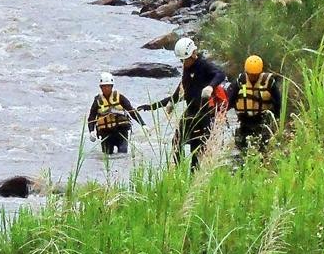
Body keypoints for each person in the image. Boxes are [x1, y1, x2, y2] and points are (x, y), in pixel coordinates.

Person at [137, 37, 225, 172]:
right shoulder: (187, 71)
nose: (184, 63)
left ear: (194, 54)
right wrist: (153, 106)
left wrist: (211, 87)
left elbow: (220, 74)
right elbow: (178, 94)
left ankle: (195, 176)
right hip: (190, 112)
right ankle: (178, 172)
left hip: (205, 114)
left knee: (197, 148)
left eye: (186, 59)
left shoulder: (203, 66)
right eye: (182, 60)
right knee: (176, 142)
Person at [228, 55, 281, 152]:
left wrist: (277, 118)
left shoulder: (269, 82)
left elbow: (278, 102)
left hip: (262, 120)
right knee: (243, 149)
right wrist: (222, 114)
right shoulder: (240, 82)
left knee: (263, 148)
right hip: (245, 121)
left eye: (256, 75)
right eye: (250, 74)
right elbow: (231, 100)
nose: (253, 77)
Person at [87, 72, 150, 155]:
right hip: (105, 133)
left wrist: (143, 124)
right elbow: (91, 118)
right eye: (104, 86)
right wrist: (91, 131)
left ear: (112, 86)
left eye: (108, 86)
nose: (106, 88)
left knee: (123, 154)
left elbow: (131, 111)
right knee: (107, 156)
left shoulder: (120, 97)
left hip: (121, 131)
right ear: (101, 87)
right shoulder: (97, 101)